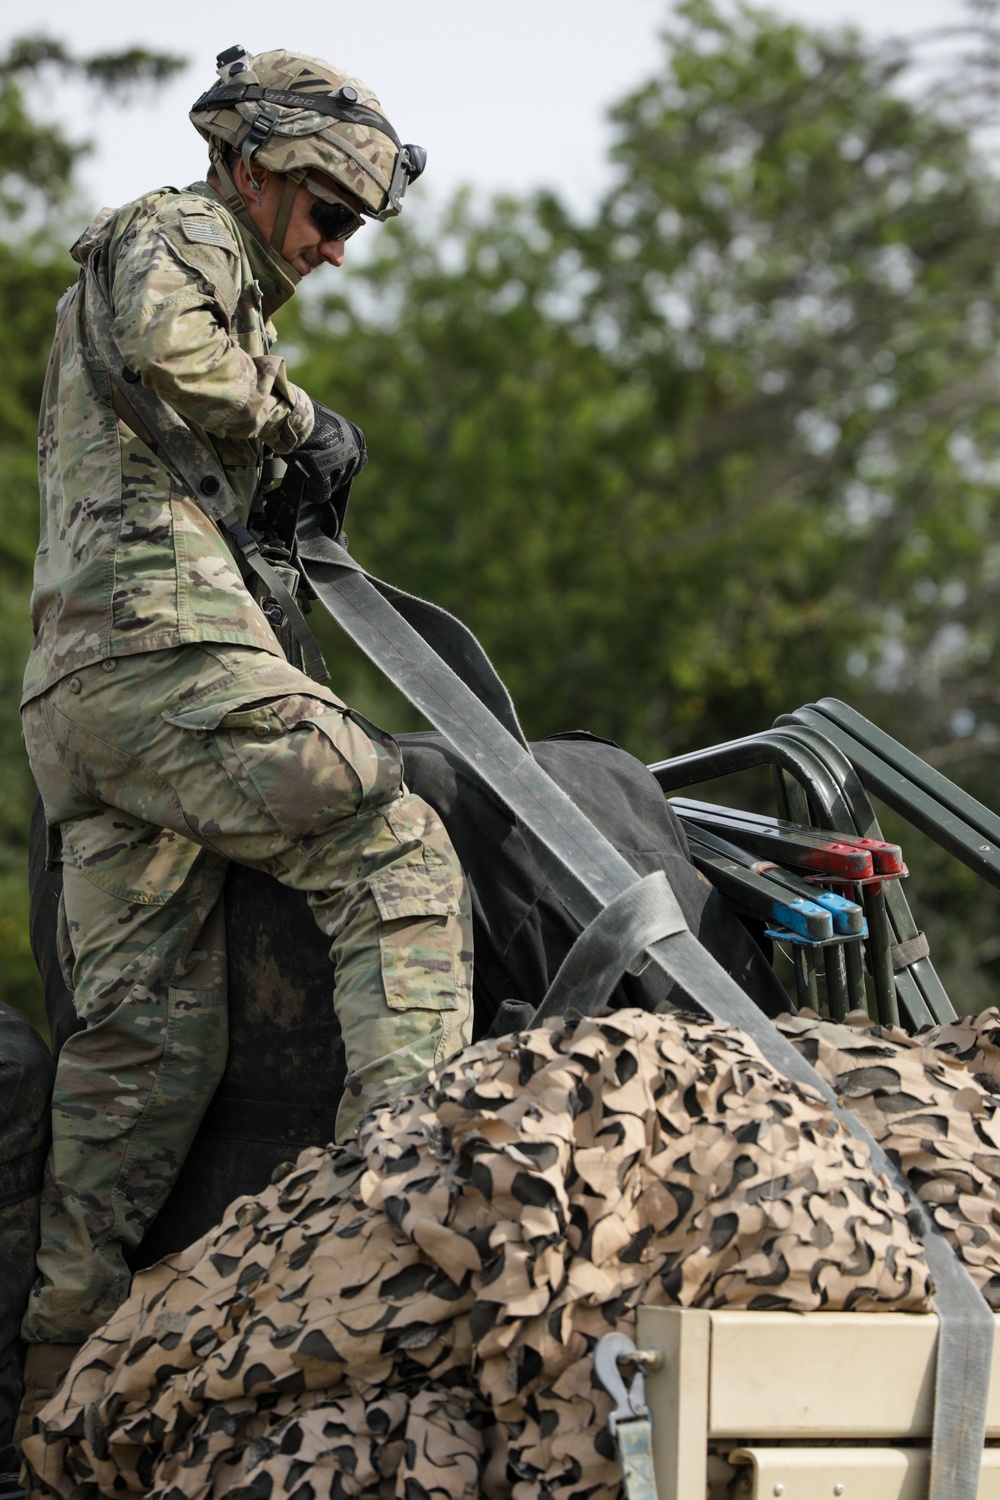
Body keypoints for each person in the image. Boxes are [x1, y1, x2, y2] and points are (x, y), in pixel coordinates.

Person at [15, 46, 474, 1423]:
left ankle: (49, 1404)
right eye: (329, 216)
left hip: (85, 706)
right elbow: (174, 344)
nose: (335, 252)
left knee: (144, 1060)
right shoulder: (179, 232)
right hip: (158, 656)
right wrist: (301, 422)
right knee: (393, 844)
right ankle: (387, 1261)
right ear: (259, 171)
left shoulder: (187, 266)